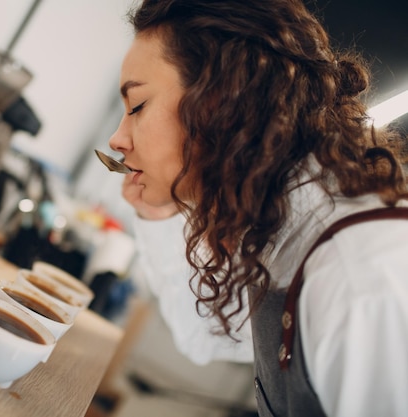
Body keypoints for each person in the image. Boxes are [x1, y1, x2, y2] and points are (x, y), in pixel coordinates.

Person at [106, 0, 408, 416]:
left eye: (137, 106)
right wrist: (158, 211)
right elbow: (207, 335)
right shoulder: (276, 221)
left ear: (221, 103)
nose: (117, 139)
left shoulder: (359, 277)